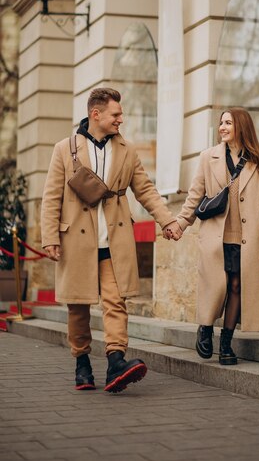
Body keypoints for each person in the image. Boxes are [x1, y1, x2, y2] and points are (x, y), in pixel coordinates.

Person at [41, 88, 182, 393]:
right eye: (116, 114)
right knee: (78, 306)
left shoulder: (127, 150)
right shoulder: (65, 149)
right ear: (96, 114)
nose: (121, 119)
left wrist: (167, 220)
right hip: (76, 240)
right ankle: (82, 364)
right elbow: (51, 196)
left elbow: (145, 190)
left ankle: (116, 361)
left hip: (114, 239)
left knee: (115, 301)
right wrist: (50, 237)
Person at [173, 107, 259, 365]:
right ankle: (205, 328)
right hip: (215, 236)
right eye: (221, 123)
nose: (222, 127)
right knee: (217, 285)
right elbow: (195, 195)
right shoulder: (208, 157)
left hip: (246, 236)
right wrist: (180, 223)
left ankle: (226, 343)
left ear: (241, 126)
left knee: (236, 286)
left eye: (228, 123)